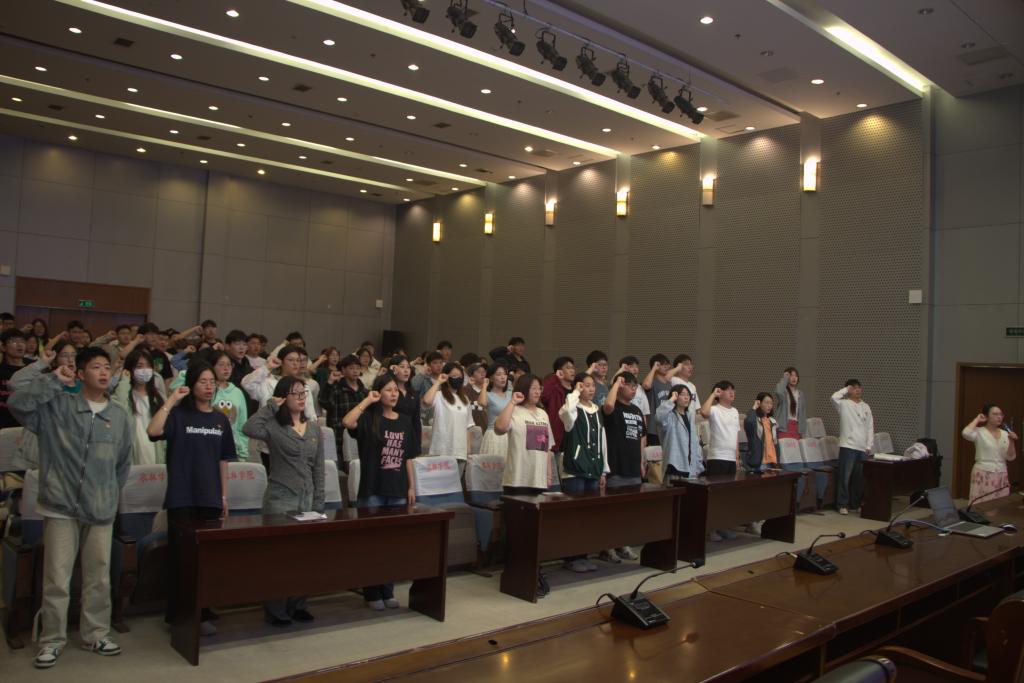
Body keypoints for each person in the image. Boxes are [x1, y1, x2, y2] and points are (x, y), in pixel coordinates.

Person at [9, 347, 132, 668]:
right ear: (79, 373)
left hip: (100, 509)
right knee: (57, 579)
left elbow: (123, 464)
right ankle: (51, 640)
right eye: (95, 367)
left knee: (98, 576)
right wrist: (52, 380)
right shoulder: (58, 406)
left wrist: (108, 494)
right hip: (61, 505)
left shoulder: (119, 415)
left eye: (107, 367)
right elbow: (17, 404)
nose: (103, 372)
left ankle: (96, 633)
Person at [147, 363, 235, 636]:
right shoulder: (178, 415)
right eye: (203, 382)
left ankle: (203, 611)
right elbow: (153, 431)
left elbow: (223, 460)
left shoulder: (220, 420)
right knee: (181, 560)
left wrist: (223, 495)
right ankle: (179, 615)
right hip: (182, 497)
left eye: (212, 382)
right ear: (192, 385)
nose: (208, 386)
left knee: (205, 560)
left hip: (210, 497)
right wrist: (172, 400)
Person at [242, 376, 324, 626]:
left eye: (303, 392)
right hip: (280, 497)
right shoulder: (273, 426)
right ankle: (275, 609)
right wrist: (271, 406)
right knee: (278, 557)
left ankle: (298, 604)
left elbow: (319, 468)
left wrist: (319, 502)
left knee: (304, 556)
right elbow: (248, 428)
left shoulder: (314, 428)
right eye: (295, 393)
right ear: (283, 397)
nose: (301, 397)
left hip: (307, 498)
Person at [343, 373, 417, 610]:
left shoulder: (405, 421)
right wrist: (367, 400)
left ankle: (388, 590)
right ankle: (371, 592)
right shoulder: (368, 419)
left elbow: (408, 457)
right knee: (372, 544)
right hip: (373, 489)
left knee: (392, 546)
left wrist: (411, 486)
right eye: (388, 390)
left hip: (397, 490)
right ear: (378, 392)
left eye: (396, 390)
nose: (393, 394)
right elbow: (347, 422)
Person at [558, 373, 608, 573]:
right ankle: (571, 557)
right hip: (575, 470)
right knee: (574, 516)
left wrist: (604, 470)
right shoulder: (573, 408)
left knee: (588, 516)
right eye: (586, 385)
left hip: (594, 469)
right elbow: (565, 413)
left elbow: (603, 440)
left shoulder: (597, 410)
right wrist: (574, 393)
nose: (591, 389)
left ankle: (583, 555)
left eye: (592, 385)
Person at [601, 373, 647, 561]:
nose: (634, 389)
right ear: (620, 387)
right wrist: (616, 384)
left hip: (633, 467)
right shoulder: (613, 407)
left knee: (628, 512)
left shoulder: (636, 410)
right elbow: (608, 406)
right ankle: (607, 547)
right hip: (616, 467)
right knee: (613, 511)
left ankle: (623, 544)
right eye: (630, 386)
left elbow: (641, 437)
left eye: (636, 386)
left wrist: (642, 462)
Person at [112, 348, 167, 465]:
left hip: (156, 453)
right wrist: (124, 381)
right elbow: (118, 407)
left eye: (148, 366)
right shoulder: (125, 394)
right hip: (134, 453)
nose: (145, 370)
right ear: (130, 369)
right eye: (139, 366)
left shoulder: (158, 397)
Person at [701, 381, 741, 541]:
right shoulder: (715, 409)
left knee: (727, 496)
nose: (732, 392)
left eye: (733, 390)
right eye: (728, 390)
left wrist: (737, 457)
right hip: (717, 457)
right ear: (720, 392)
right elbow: (704, 412)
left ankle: (723, 527)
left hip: (731, 458)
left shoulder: (735, 411)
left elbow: (736, 435)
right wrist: (713, 395)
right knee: (715, 496)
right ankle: (711, 529)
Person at [421, 362, 474, 474]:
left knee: (456, 483)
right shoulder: (439, 395)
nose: (457, 379)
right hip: (441, 450)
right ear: (446, 377)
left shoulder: (465, 399)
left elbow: (468, 426)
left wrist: (468, 450)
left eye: (460, 376)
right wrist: (438, 381)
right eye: (454, 376)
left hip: (460, 452)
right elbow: (426, 400)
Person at [831, 380, 873, 515]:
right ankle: (842, 504)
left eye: (859, 388)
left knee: (858, 478)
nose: (858, 390)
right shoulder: (844, 404)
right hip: (847, 446)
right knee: (845, 476)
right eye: (854, 388)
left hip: (862, 447)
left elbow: (870, 427)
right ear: (849, 389)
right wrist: (845, 390)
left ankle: (855, 504)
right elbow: (834, 397)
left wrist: (869, 445)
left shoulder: (866, 406)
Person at [319, 354, 368, 468]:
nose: (355, 371)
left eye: (357, 368)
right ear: (343, 370)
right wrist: (329, 382)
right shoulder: (336, 389)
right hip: (339, 437)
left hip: (360, 436)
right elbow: (323, 402)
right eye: (351, 368)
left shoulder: (364, 391)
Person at [962, 406, 1018, 503]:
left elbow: (1010, 457)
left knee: (1000, 505)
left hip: (1001, 473)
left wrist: (1011, 442)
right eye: (995, 414)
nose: (999, 417)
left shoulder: (1005, 434)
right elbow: (966, 433)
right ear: (987, 416)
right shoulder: (979, 431)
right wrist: (977, 419)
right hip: (983, 472)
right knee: (981, 504)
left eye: (1001, 414)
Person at [656, 384, 702, 484]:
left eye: (688, 395)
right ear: (676, 396)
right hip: (674, 466)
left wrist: (698, 465)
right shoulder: (670, 416)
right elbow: (659, 417)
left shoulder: (690, 416)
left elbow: (695, 442)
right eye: (682, 394)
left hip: (690, 468)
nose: (686, 397)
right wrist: (672, 399)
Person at [386, 355, 422, 455]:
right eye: (402, 367)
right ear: (394, 369)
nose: (406, 370)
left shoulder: (413, 393)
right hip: (392, 438)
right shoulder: (388, 392)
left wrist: (418, 445)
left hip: (410, 438)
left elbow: (416, 422)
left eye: (408, 367)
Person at [541, 356, 575, 454]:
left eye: (573, 367)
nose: (572, 370)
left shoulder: (576, 390)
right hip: (557, 437)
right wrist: (555, 378)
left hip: (573, 437)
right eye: (568, 368)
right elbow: (543, 397)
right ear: (559, 371)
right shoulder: (554, 387)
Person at [478, 363, 512, 457]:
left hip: (510, 434)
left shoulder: (510, 394)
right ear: (491, 378)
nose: (503, 377)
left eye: (505, 374)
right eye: (499, 374)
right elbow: (482, 403)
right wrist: (484, 385)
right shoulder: (488, 395)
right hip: (494, 435)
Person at [642, 354, 675, 445]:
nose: (667, 367)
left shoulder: (670, 384)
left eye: (667, 364)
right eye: (663, 364)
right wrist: (654, 369)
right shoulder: (652, 382)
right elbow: (646, 385)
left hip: (668, 427)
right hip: (653, 428)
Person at [225, 329, 258, 416]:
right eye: (237, 344)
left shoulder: (248, 366)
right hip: (231, 409)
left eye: (244, 344)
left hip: (250, 410)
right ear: (227, 346)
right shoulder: (225, 367)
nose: (241, 348)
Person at [0, 328, 29, 428]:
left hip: (28, 425)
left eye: (22, 341)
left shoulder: (33, 368)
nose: (20, 344)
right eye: (14, 341)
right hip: (3, 426)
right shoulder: (1, 370)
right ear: (3, 347)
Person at [743, 393, 779, 473]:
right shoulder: (755, 420)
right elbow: (748, 422)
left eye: (771, 403)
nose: (769, 405)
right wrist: (754, 407)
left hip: (772, 462)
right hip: (759, 462)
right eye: (766, 402)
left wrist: (778, 461)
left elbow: (776, 443)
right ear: (759, 403)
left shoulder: (773, 421)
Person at [775, 367, 805, 440]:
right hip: (785, 427)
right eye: (791, 375)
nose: (794, 378)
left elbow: (803, 413)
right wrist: (785, 378)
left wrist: (802, 431)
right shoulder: (784, 392)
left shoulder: (800, 393)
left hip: (796, 428)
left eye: (796, 376)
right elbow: (778, 392)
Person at [462, 362, 489, 431]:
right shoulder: (466, 389)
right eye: (479, 372)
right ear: (471, 375)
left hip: (487, 430)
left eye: (484, 371)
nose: (482, 374)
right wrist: (468, 385)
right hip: (471, 430)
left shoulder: (489, 391)